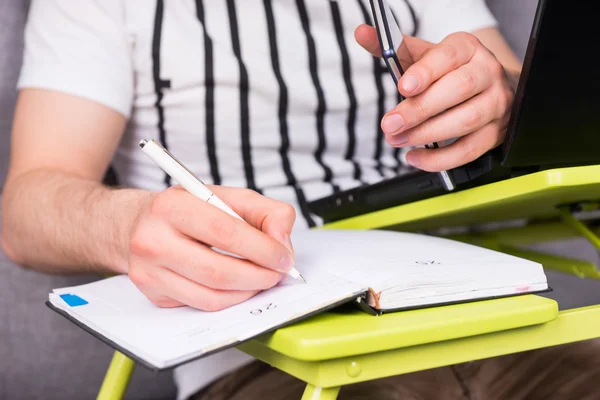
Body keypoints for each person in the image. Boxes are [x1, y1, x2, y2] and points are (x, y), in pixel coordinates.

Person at [1, 0, 598, 399]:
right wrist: (126, 222)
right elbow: (26, 211)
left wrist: (501, 98)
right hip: (264, 358)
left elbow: (525, 96)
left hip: (495, 318)